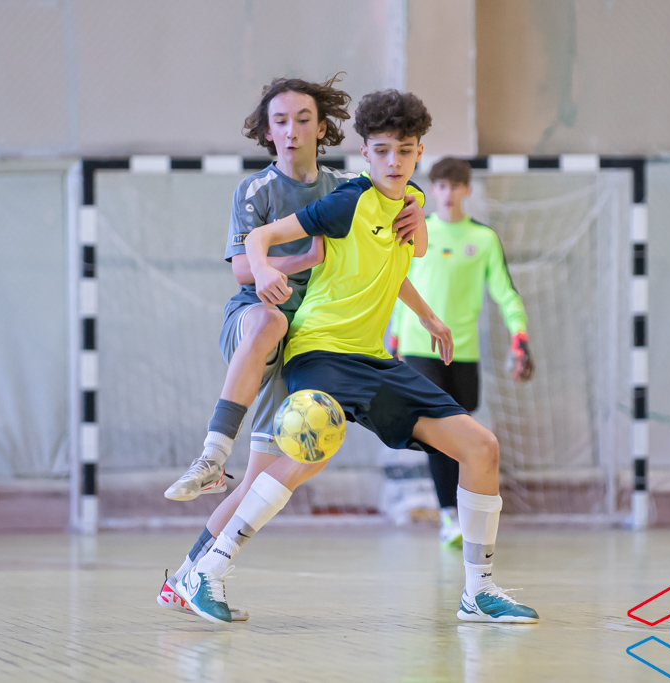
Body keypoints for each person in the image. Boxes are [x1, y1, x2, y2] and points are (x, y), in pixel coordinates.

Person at [174, 89, 539, 626]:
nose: (394, 161)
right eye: (382, 150)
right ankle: (207, 567)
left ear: (419, 153)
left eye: (405, 151)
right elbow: (261, 238)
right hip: (319, 348)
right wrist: (268, 268)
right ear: (365, 152)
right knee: (309, 452)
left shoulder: (410, 205)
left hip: (372, 358)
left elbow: (400, 258)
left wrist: (428, 316)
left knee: (481, 447)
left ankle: (478, 591)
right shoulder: (347, 200)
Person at [157, 75, 442, 621]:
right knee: (268, 319)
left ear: (323, 128)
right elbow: (245, 268)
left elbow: (381, 261)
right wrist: (291, 264)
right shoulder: (256, 191)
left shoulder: (349, 189)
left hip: (308, 339)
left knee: (264, 479)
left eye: (303, 119)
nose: (292, 130)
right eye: (281, 121)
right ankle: (213, 453)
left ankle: (187, 578)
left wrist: (425, 309)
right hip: (255, 320)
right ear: (268, 132)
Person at [389, 157, 534, 548]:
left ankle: (460, 511)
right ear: (433, 190)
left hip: (463, 351)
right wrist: (393, 339)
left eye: (455, 186)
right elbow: (396, 285)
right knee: (440, 428)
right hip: (419, 346)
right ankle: (449, 516)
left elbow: (506, 293)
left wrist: (519, 333)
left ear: (467, 190)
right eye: (441, 186)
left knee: (463, 432)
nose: (448, 193)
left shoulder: (483, 239)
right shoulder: (416, 233)